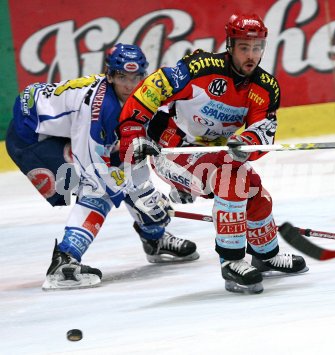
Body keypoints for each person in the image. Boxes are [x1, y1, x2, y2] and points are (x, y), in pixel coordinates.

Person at [117, 14, 308, 294]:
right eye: (244, 47)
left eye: (257, 48)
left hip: (214, 152)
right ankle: (231, 262)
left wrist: (246, 143)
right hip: (171, 150)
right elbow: (150, 90)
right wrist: (133, 134)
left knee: (256, 192)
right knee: (231, 181)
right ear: (230, 45)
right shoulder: (200, 68)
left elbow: (264, 130)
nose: (251, 55)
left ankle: (265, 255)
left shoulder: (265, 88)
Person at [5, 43, 199, 291]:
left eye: (136, 77)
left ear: (144, 75)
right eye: (122, 78)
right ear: (110, 76)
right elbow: (94, 171)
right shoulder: (98, 109)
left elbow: (137, 153)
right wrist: (145, 199)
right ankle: (64, 262)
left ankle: (154, 237)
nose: (130, 85)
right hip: (32, 137)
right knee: (97, 189)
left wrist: (151, 195)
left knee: (126, 163)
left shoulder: (143, 95)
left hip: (60, 127)